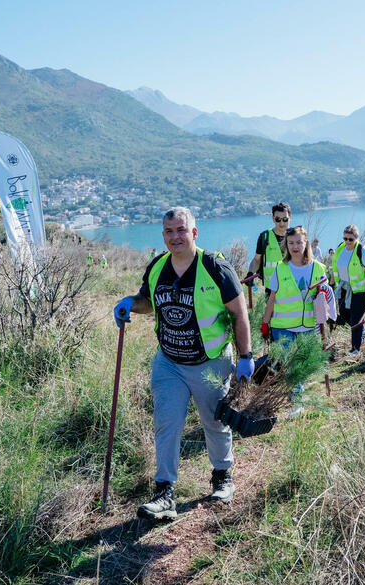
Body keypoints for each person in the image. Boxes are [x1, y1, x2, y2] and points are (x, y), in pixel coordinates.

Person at [114, 207, 253, 520]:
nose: (174, 237)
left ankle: (222, 477)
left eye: (180, 230)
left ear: (194, 232)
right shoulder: (158, 267)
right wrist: (129, 304)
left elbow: (239, 314)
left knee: (214, 422)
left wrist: (246, 356)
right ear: (163, 235)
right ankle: (164, 493)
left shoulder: (215, 267)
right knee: (167, 423)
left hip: (211, 362)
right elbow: (147, 301)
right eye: (168, 231)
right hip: (170, 362)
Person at [260, 226, 329, 344]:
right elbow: (271, 299)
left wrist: (323, 294)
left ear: (306, 243)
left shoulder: (318, 268)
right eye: (290, 243)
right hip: (282, 328)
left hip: (309, 327)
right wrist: (265, 324)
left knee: (305, 363)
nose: (295, 246)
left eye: (299, 242)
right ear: (286, 244)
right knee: (289, 362)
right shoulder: (280, 268)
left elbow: (327, 296)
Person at [331, 225, 365, 355]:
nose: (347, 242)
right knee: (345, 316)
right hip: (344, 288)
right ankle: (362, 331)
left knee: (356, 319)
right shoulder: (341, 248)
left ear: (357, 238)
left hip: (359, 291)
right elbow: (335, 266)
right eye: (345, 238)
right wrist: (332, 283)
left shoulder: (361, 251)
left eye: (350, 239)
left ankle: (355, 348)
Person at [246, 202, 291, 296]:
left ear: (290, 218)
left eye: (285, 219)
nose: (281, 223)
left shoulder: (296, 237)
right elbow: (257, 260)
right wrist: (250, 273)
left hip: (293, 287)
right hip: (271, 290)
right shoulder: (264, 237)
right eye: (278, 219)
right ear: (273, 219)